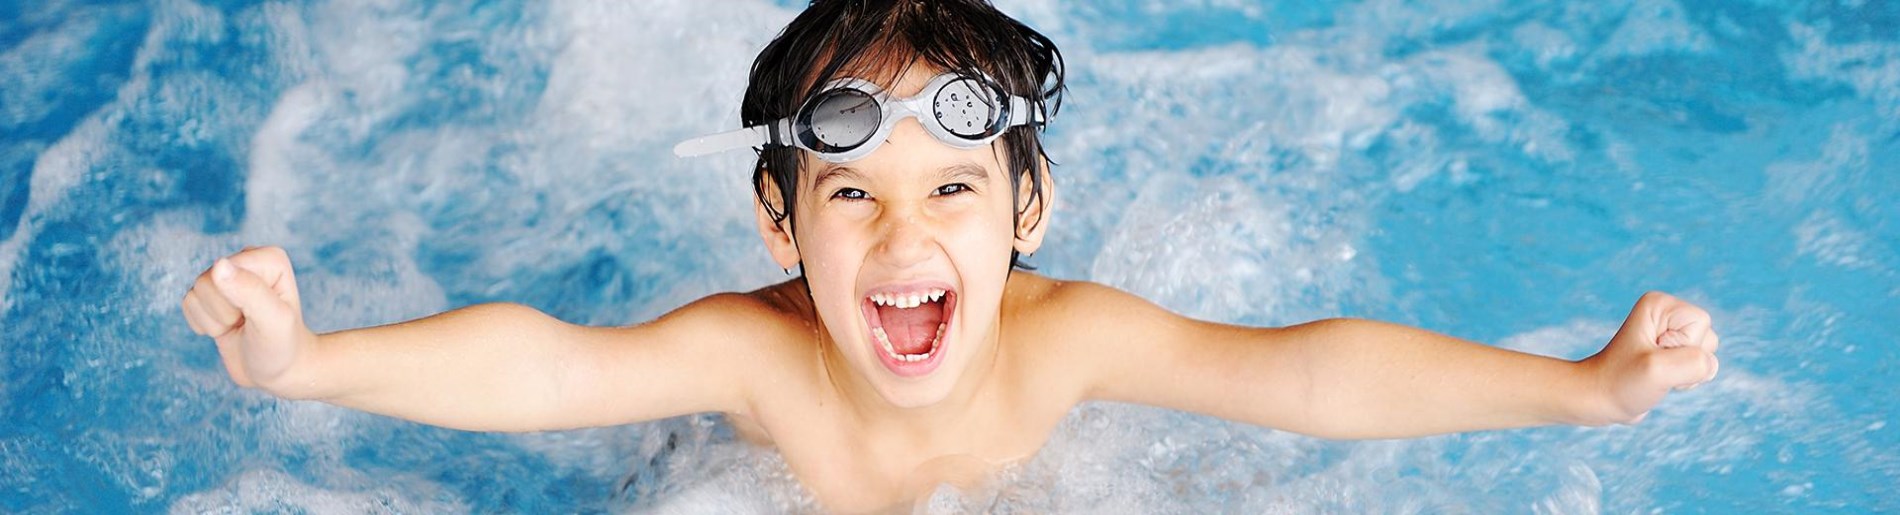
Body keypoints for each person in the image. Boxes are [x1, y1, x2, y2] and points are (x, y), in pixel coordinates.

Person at [178, 0, 1722, 511]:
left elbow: (1301, 374)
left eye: (954, 195)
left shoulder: (1063, 338)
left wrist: (1579, 393)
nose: (905, 236)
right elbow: (551, 366)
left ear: (1026, 213)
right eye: (852, 200)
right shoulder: (757, 352)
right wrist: (306, 362)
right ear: (782, 226)